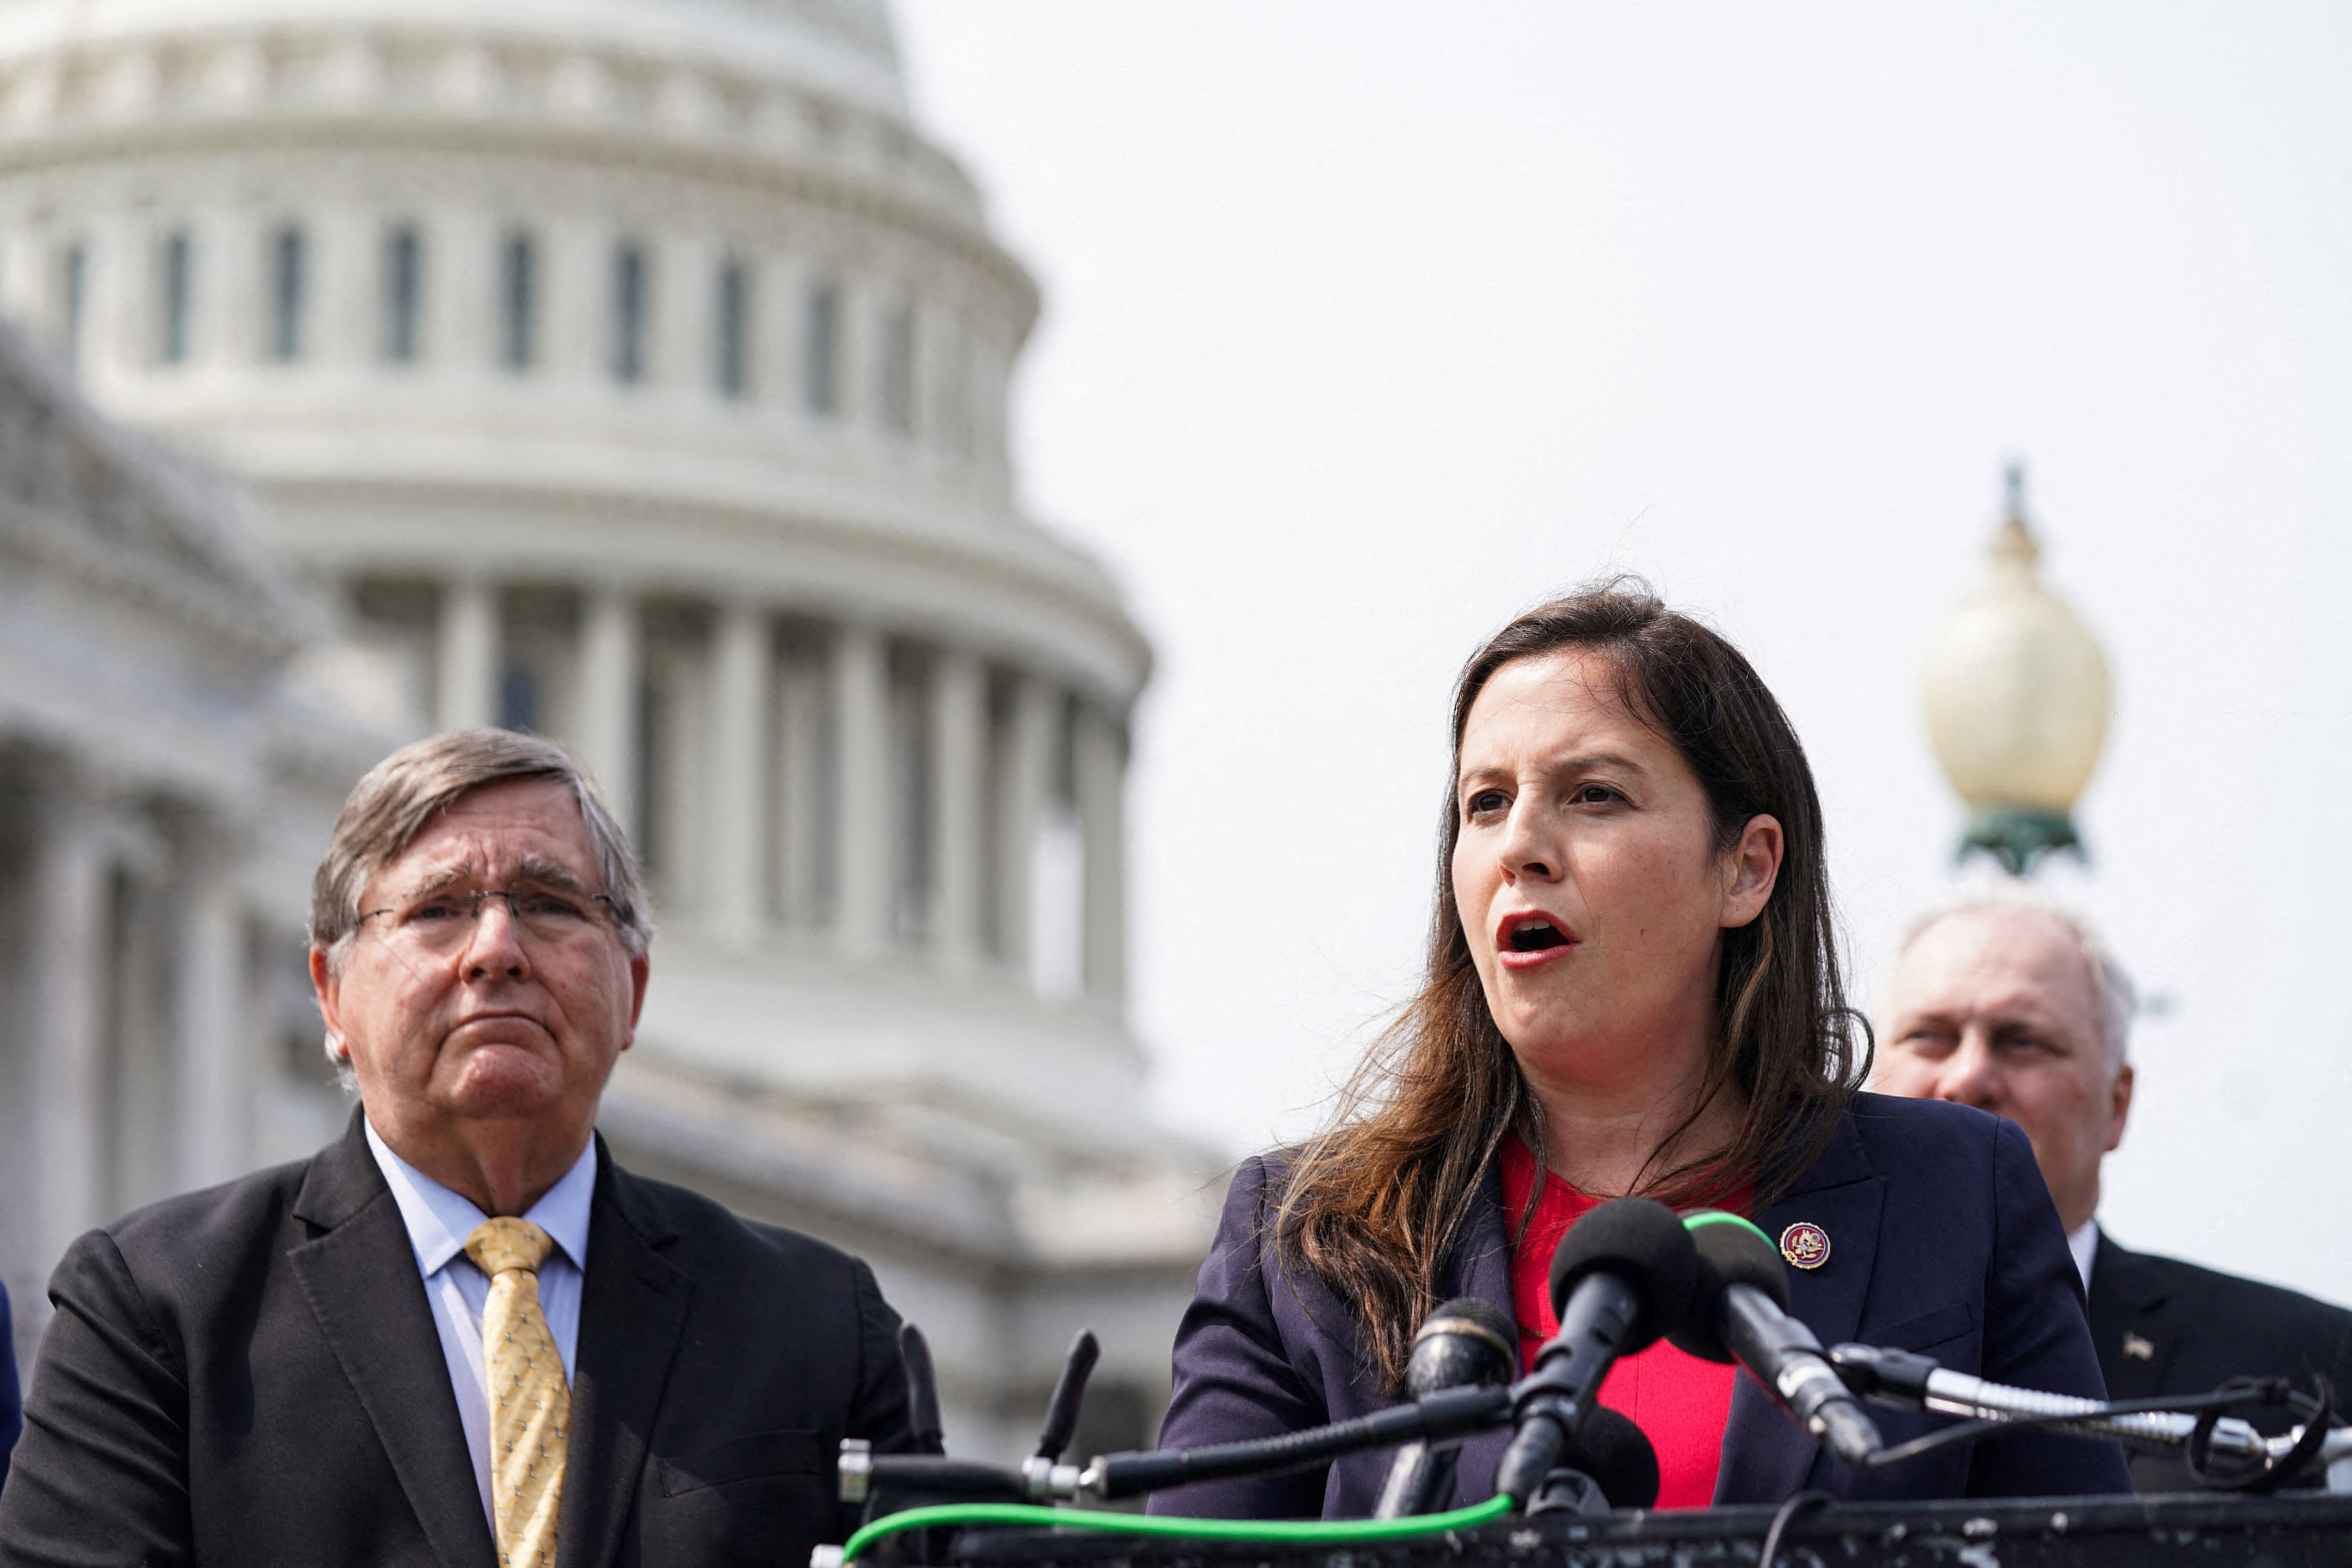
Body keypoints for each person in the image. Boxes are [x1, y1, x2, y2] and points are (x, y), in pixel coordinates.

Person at [1153, 585, 2128, 1518]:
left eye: (1594, 796)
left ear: (1745, 869)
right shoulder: (1303, 1239)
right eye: (1485, 804)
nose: (1519, 846)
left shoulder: (1958, 1195)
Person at [0, 730, 912, 1566]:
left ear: (631, 990)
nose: (497, 951)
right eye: (438, 910)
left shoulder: (819, 1327)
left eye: (550, 904)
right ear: (332, 995)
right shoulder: (158, 1312)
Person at [1874, 895, 2352, 1490]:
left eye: (2023, 1041)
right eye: (1929, 1036)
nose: (1970, 1076)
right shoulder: (1766, 1343)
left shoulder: (2308, 1365)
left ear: (2117, 1103)